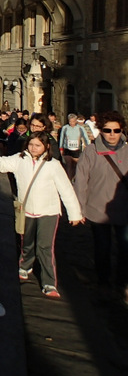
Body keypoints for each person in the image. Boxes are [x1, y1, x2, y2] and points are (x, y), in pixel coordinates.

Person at [0, 132, 84, 298]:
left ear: (46, 147)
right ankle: (25, 265)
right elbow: (3, 161)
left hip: (49, 211)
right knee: (27, 242)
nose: (33, 148)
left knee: (45, 247)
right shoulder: (20, 159)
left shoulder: (53, 165)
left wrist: (74, 213)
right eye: (31, 144)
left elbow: (66, 190)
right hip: (27, 210)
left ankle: (49, 283)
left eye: (37, 145)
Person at [74, 111, 128, 305]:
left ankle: (121, 284)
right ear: (101, 131)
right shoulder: (90, 151)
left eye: (116, 130)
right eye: (107, 130)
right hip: (97, 209)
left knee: (125, 249)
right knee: (102, 249)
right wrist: (78, 209)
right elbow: (81, 182)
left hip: (124, 210)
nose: (112, 134)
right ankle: (103, 282)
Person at [59, 113, 91, 179]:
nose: (72, 123)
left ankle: (75, 179)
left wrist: (89, 147)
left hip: (76, 149)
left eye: (73, 121)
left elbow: (86, 138)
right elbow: (62, 138)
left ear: (76, 121)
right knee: (68, 165)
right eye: (70, 121)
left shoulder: (80, 128)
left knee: (76, 165)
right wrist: (61, 148)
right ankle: (69, 179)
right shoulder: (65, 128)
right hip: (67, 148)